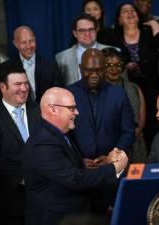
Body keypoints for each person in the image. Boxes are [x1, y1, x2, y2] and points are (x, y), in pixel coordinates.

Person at [23, 87, 128, 225]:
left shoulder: (58, 135)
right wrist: (115, 168)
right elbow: (75, 179)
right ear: (53, 109)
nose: (77, 112)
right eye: (72, 108)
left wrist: (108, 161)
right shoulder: (44, 142)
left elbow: (73, 172)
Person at [67, 48, 135, 213]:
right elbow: (64, 135)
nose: (94, 74)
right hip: (80, 173)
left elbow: (128, 131)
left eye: (98, 69)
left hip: (110, 174)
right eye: (89, 70)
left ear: (104, 68)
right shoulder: (68, 94)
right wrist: (77, 160)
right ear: (80, 68)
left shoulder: (118, 94)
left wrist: (113, 156)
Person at [0, 62, 41, 225]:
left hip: (45, 200)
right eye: (18, 84)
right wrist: (25, 178)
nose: (24, 88)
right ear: (3, 87)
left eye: (26, 83)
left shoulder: (41, 112)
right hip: (11, 204)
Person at [107, 2, 159, 150]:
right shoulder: (112, 38)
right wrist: (124, 67)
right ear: (119, 20)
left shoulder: (148, 32)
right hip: (127, 91)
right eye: (125, 11)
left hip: (152, 90)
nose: (130, 13)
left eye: (132, 10)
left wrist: (154, 24)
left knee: (154, 128)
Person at [102, 47, 147, 163]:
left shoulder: (134, 88)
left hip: (135, 145)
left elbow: (141, 121)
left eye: (118, 64)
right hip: (108, 149)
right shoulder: (97, 91)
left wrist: (126, 141)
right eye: (108, 65)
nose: (114, 69)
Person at [0, 26, 63, 103]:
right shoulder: (5, 68)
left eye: (31, 41)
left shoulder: (51, 65)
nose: (28, 46)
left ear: (35, 40)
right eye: (23, 42)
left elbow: (59, 93)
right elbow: (2, 97)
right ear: (15, 44)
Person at [55, 14, 113, 85]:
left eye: (91, 29)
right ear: (75, 33)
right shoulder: (62, 58)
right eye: (82, 30)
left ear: (96, 30)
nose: (87, 34)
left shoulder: (113, 52)